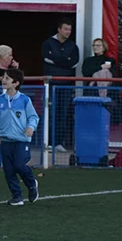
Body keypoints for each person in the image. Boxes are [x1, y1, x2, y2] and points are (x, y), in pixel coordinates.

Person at [0, 68, 41, 205]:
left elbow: (33, 116)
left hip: (21, 140)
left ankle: (32, 184)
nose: (3, 80)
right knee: (8, 170)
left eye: (7, 78)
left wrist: (31, 127)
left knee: (20, 166)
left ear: (16, 83)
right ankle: (17, 196)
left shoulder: (25, 100)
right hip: (5, 140)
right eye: (4, 77)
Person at [43, 20, 79, 151]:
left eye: (70, 29)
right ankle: (49, 143)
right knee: (51, 113)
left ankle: (59, 143)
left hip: (66, 85)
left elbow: (74, 63)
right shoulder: (47, 43)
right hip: (51, 84)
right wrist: (65, 60)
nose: (68, 32)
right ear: (59, 29)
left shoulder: (73, 46)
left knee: (63, 114)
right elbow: (47, 58)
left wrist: (57, 59)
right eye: (66, 29)